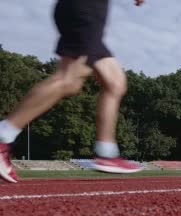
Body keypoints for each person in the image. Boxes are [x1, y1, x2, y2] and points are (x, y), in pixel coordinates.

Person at [0, 0, 145, 183]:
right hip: (84, 8)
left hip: (86, 12)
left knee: (114, 82)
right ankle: (3, 135)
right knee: (68, 79)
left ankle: (106, 152)